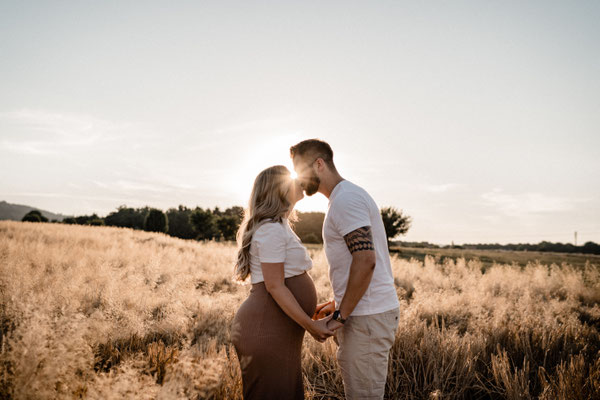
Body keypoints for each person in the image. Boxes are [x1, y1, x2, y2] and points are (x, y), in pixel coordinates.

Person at [291, 139, 400, 400]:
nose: (297, 178)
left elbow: (366, 260)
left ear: (319, 164)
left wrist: (340, 316)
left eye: (300, 169)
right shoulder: (343, 198)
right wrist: (338, 303)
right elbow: (357, 263)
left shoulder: (346, 200)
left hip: (366, 319)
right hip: (364, 315)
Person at [230, 165, 334, 400]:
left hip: (276, 326)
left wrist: (309, 310)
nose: (300, 182)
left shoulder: (279, 226)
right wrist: (310, 324)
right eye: (292, 179)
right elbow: (274, 286)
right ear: (279, 191)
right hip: (266, 329)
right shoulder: (271, 230)